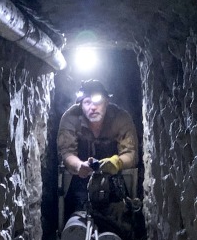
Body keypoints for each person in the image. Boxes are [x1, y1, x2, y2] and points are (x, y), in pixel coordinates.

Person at [57, 80, 139, 229]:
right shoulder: (71, 118)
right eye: (87, 102)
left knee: (120, 221)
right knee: (77, 219)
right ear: (80, 105)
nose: (92, 107)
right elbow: (66, 153)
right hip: (81, 179)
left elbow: (131, 153)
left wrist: (117, 163)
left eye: (97, 102)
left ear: (107, 102)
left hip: (114, 179)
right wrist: (78, 166)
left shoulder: (120, 118)